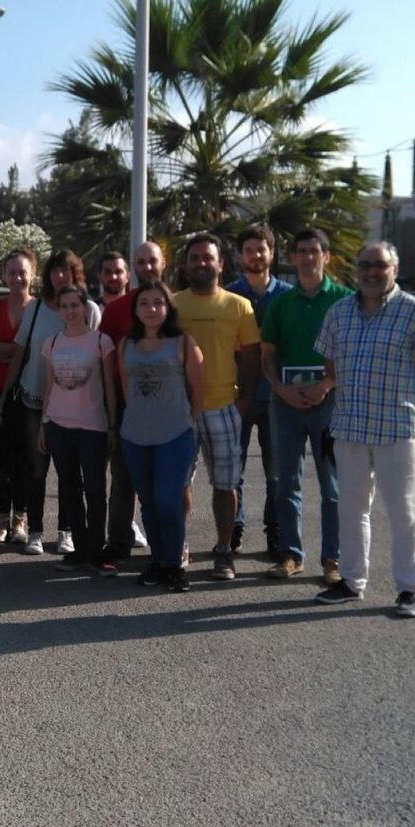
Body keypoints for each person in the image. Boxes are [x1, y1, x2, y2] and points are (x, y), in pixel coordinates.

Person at [314, 240, 415, 617]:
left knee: (403, 511)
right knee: (351, 509)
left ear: (394, 270)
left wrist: (404, 398)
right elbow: (330, 364)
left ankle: (408, 588)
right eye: (365, 265)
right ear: (356, 270)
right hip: (350, 428)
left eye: (379, 265)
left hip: (396, 429)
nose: (371, 272)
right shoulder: (339, 312)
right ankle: (351, 580)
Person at [260, 228, 352, 583]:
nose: (308, 257)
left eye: (315, 250)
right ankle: (290, 555)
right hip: (285, 403)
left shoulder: (345, 300)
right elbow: (268, 354)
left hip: (330, 403)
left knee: (332, 485)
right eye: (302, 251)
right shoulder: (281, 303)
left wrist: (327, 384)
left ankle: (333, 559)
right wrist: (280, 389)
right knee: (285, 482)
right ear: (293, 257)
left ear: (325, 256)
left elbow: (351, 352)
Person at [0, 248, 102, 555]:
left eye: (65, 270)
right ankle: (36, 531)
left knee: (69, 472)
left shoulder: (89, 309)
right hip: (34, 400)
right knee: (36, 470)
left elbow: (98, 354)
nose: (59, 276)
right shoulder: (36, 307)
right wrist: (5, 394)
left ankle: (66, 531)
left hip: (74, 405)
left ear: (75, 273)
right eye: (54, 270)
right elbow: (20, 352)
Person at [172, 233, 260, 581]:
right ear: (185, 265)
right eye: (195, 258)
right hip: (181, 411)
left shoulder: (239, 306)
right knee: (180, 482)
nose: (201, 263)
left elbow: (251, 357)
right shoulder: (173, 304)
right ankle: (179, 546)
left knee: (226, 485)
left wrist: (243, 402)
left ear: (220, 264)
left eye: (207, 258)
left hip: (224, 408)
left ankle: (223, 550)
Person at [119, 281, 203, 592]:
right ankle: (157, 561)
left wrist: (189, 421)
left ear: (168, 308)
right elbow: (126, 386)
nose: (151, 309)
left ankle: (174, 565)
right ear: (136, 309)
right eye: (144, 303)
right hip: (135, 435)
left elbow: (197, 387)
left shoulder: (183, 342)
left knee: (169, 501)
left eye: (158, 303)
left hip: (175, 434)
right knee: (149, 503)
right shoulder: (126, 344)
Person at [37, 285, 118, 576]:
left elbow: (109, 386)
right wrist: (43, 425)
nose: (70, 311)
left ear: (85, 307)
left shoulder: (101, 342)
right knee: (69, 490)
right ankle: (80, 550)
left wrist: (112, 425)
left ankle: (97, 552)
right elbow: (49, 387)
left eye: (75, 305)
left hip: (93, 428)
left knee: (95, 491)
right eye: (64, 306)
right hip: (58, 427)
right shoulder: (51, 343)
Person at [225, 224, 291, 559]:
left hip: (277, 396)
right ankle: (233, 528)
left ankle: (274, 532)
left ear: (271, 253)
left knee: (276, 472)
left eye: (260, 249)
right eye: (248, 250)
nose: (255, 255)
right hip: (236, 396)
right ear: (240, 255)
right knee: (232, 470)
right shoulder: (228, 296)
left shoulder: (287, 296)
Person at [98, 240, 166, 558]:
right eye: (141, 262)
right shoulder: (115, 311)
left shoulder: (177, 306)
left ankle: (168, 547)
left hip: (169, 407)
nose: (147, 267)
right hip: (127, 406)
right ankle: (118, 543)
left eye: (152, 261)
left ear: (163, 263)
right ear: (134, 267)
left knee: (167, 481)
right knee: (123, 478)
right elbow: (105, 362)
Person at [0, 248, 36, 546]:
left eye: (22, 272)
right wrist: (19, 351)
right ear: (4, 275)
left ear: (32, 275)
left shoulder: (40, 309)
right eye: (12, 272)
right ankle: (2, 519)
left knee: (25, 458)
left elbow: (39, 349)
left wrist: (7, 350)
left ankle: (21, 520)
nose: (17, 278)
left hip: (29, 392)